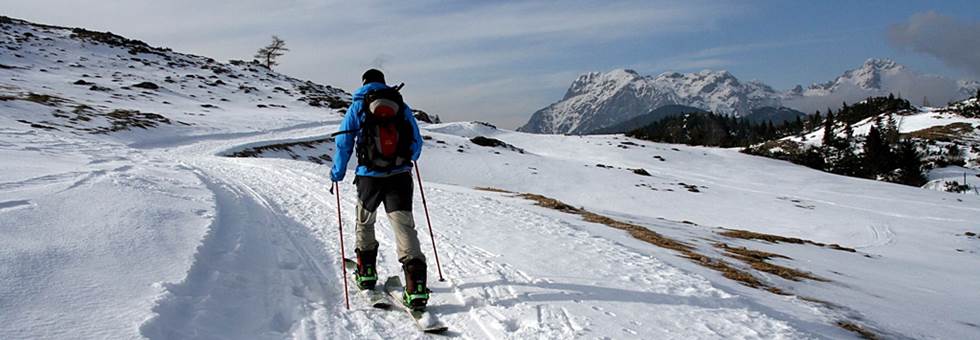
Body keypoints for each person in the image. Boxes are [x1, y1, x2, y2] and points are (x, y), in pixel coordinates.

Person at [331, 69, 429, 309]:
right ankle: (416, 288)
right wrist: (405, 159)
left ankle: (366, 275)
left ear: (364, 83)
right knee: (404, 226)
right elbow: (416, 143)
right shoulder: (401, 106)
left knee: (365, 222)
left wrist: (338, 172)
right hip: (400, 176)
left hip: (369, 178)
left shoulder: (358, 106)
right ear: (384, 83)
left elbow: (344, 141)